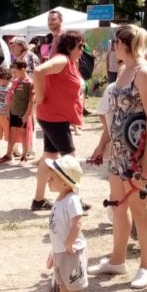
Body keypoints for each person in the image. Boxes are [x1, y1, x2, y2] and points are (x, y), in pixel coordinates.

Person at [88, 24, 147, 289]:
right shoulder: (122, 71)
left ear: (124, 43)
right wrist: (102, 143)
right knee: (117, 205)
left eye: (114, 42)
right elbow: (115, 115)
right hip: (118, 151)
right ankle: (117, 260)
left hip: (136, 152)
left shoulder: (145, 72)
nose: (112, 46)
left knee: (140, 208)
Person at [30, 30, 86, 211]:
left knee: (49, 158)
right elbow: (38, 71)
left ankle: (38, 200)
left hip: (53, 116)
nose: (82, 50)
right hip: (54, 118)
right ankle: (74, 201)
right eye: (80, 46)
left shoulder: (69, 62)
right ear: (69, 46)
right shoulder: (62, 59)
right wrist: (39, 96)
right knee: (70, 159)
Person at [45, 155, 88, 292]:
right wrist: (53, 251)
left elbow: (77, 222)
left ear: (64, 182)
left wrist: (70, 242)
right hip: (60, 251)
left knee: (74, 285)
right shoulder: (59, 200)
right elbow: (57, 229)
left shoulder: (72, 200)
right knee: (62, 283)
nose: (48, 181)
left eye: (51, 178)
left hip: (71, 251)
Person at [5, 59, 34, 165]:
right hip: (14, 111)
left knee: (23, 134)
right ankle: (8, 155)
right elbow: (11, 97)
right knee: (12, 132)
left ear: (23, 69)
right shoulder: (16, 81)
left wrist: (27, 114)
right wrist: (8, 110)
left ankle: (24, 156)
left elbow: (31, 100)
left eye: (15, 72)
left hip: (23, 112)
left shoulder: (29, 83)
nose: (14, 74)